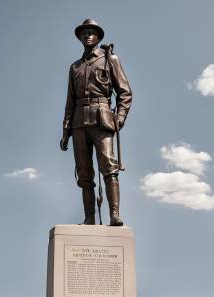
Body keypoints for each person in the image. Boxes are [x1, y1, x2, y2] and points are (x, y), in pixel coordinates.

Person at [60, 19, 132, 226]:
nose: (88, 35)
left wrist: (119, 118)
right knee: (83, 172)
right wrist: (66, 130)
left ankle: (114, 214)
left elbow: (125, 93)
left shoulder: (111, 60)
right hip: (78, 122)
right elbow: (69, 100)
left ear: (98, 37)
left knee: (109, 166)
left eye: (92, 32)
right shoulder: (75, 67)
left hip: (102, 119)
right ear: (80, 38)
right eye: (84, 33)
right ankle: (89, 217)